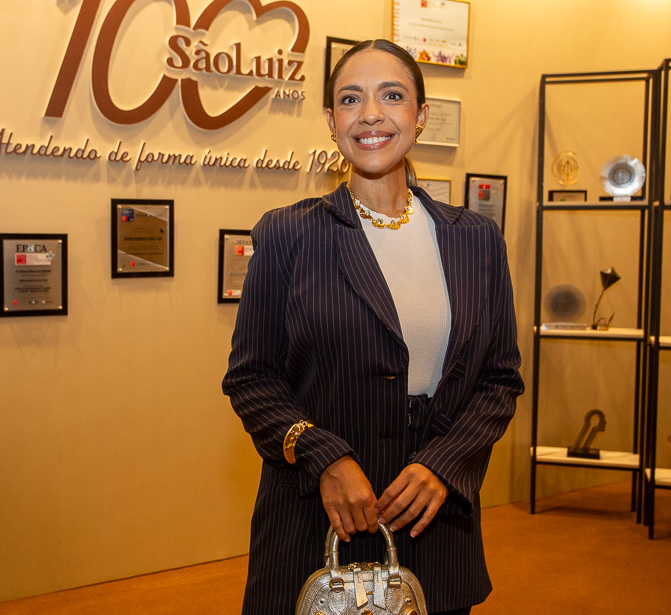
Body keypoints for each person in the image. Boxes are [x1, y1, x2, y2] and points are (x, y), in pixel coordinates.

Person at [222, 39, 524, 615]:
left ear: (421, 115)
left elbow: (499, 379)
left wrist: (444, 464)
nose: (370, 115)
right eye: (350, 99)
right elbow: (251, 378)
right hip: (316, 516)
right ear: (331, 121)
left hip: (434, 520)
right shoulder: (288, 234)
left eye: (392, 96)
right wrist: (324, 457)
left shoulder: (476, 240)